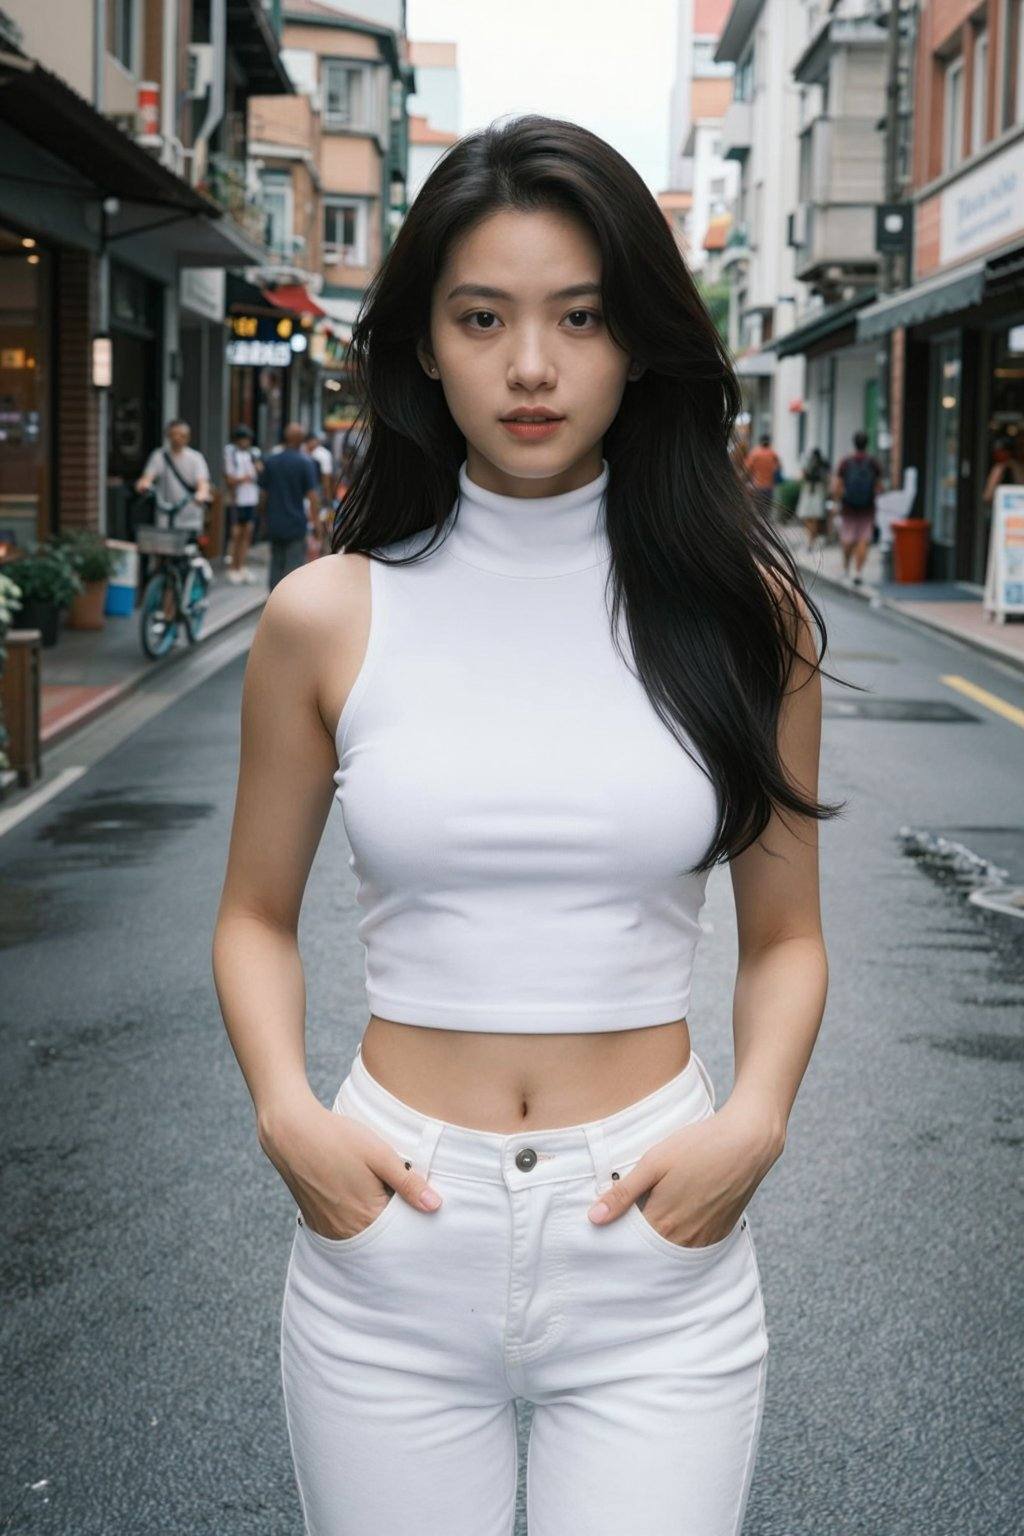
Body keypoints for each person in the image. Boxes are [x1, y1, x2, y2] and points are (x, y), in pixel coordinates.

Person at [212, 114, 840, 1536]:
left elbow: (788, 937)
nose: (535, 367)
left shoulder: (749, 622)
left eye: (582, 318)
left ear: (639, 344)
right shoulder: (329, 616)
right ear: (426, 343)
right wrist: (285, 1117)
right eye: (483, 318)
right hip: (391, 1241)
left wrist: (755, 1124)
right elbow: (253, 916)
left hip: (653, 1242)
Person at [135, 419, 211, 618]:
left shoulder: (195, 459)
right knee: (161, 561)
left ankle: (179, 605)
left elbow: (203, 483)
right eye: (174, 434)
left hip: (189, 520)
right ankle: (161, 602)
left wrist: (201, 494)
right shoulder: (159, 456)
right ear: (167, 435)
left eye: (182, 435)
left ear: (188, 438)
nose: (177, 438)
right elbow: (147, 477)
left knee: (183, 564)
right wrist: (144, 484)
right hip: (166, 520)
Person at [257, 421, 321, 591]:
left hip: (275, 522)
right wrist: (317, 525)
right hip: (296, 523)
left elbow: (263, 495)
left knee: (275, 565)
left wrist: (263, 518)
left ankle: (272, 603)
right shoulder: (305, 463)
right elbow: (313, 497)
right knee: (293, 570)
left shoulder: (271, 461)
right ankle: (287, 607)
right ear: (302, 439)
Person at [831, 430, 884, 586]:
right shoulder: (873, 462)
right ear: (867, 443)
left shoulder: (845, 462)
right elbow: (879, 487)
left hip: (848, 506)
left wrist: (837, 503)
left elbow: (838, 486)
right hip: (867, 507)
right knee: (863, 539)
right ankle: (858, 572)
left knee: (847, 538)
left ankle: (846, 569)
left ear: (854, 443)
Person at [223, 424, 261, 585]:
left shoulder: (253, 453)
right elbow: (230, 478)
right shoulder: (230, 452)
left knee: (247, 533)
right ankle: (232, 567)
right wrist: (245, 477)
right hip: (236, 499)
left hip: (251, 498)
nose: (245, 442)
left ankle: (242, 565)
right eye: (243, 439)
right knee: (236, 534)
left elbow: (259, 470)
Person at [304, 432, 335, 554]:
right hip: (308, 492)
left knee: (320, 520)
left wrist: (327, 497)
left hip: (318, 492)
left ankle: (320, 548)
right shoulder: (304, 452)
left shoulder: (323, 454)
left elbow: (326, 478)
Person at [796, 446, 830, 553]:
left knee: (807, 518)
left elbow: (800, 478)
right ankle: (812, 542)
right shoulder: (824, 466)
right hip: (819, 493)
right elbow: (828, 480)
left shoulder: (808, 464)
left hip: (808, 492)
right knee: (815, 519)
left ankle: (810, 542)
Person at [744, 432, 782, 514]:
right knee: (767, 509)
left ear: (760, 441)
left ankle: (760, 523)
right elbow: (779, 467)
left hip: (757, 485)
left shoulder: (754, 453)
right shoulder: (773, 454)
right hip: (769, 486)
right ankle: (766, 523)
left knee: (758, 509)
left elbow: (747, 468)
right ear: (769, 441)